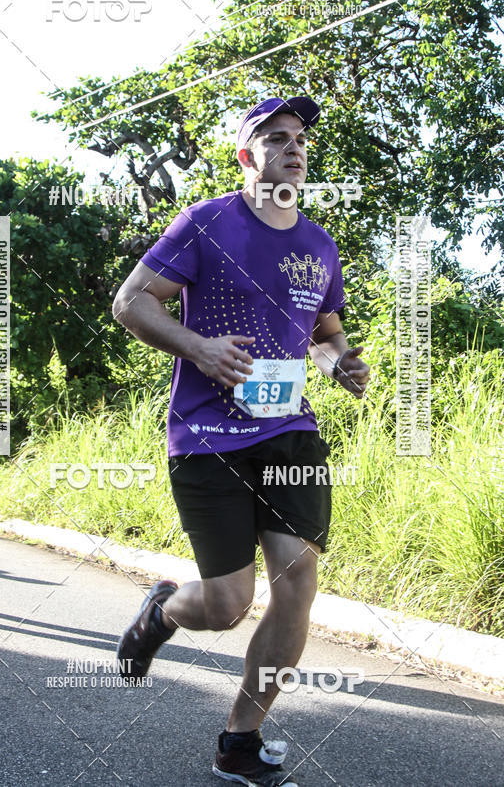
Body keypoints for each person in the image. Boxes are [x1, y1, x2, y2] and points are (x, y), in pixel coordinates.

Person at [112, 96, 370, 786]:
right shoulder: (206, 222)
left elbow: (323, 333)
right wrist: (198, 347)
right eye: (276, 137)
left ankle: (239, 741)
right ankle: (164, 608)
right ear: (246, 155)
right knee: (226, 605)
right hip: (206, 436)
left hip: (289, 432)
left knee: (297, 581)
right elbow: (131, 301)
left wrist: (340, 362)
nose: (294, 147)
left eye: (301, 139)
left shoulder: (318, 244)